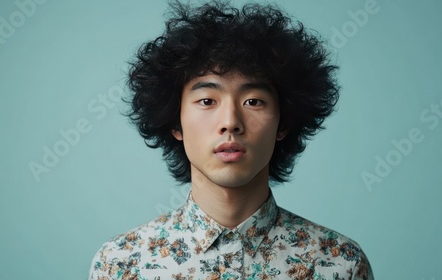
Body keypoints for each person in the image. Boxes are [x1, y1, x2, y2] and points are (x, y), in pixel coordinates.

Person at [89, 1, 374, 279]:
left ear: (283, 122)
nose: (230, 123)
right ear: (175, 122)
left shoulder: (339, 263)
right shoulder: (120, 265)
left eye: (253, 101)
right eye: (206, 100)